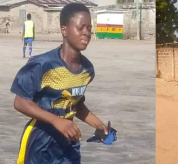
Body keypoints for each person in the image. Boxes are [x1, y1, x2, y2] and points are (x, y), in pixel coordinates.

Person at [11, 3, 108, 163]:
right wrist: (56, 121)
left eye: (89, 28)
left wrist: (99, 125)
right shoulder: (42, 65)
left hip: (68, 140)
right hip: (40, 141)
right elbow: (20, 102)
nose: (86, 33)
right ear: (64, 30)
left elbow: (75, 105)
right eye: (80, 27)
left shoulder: (87, 70)